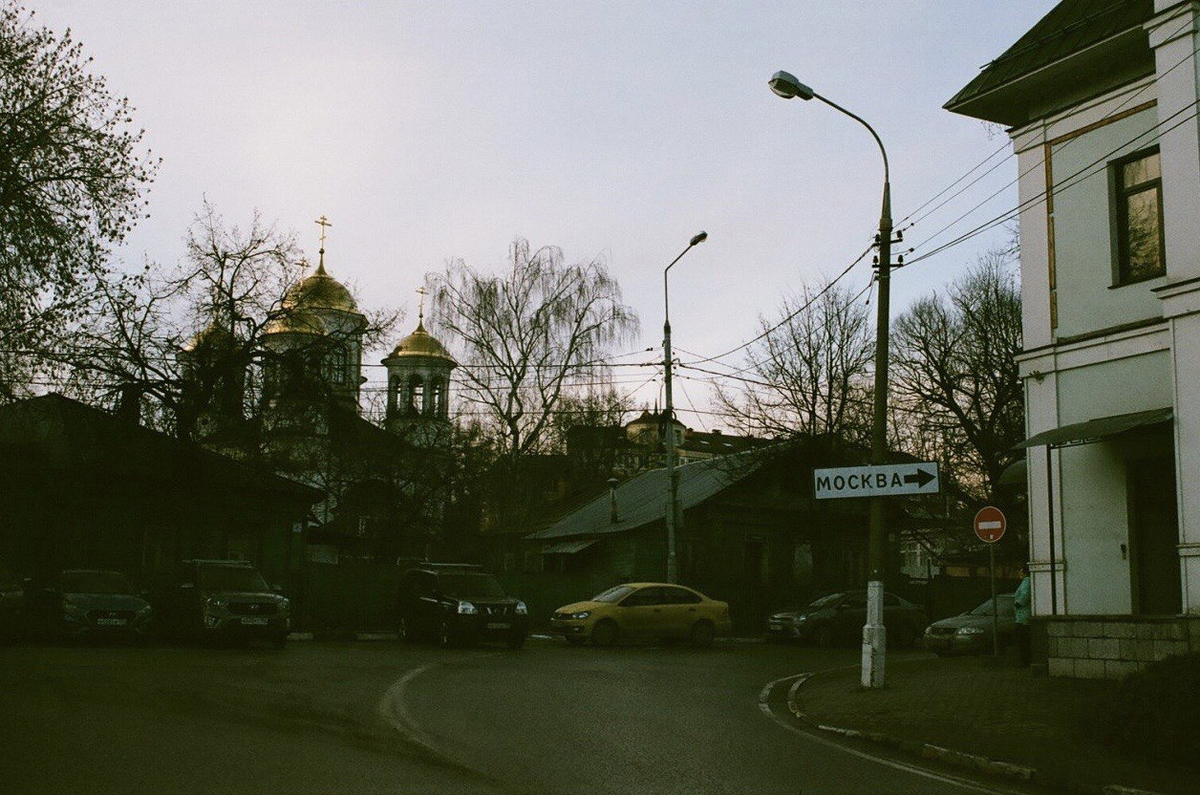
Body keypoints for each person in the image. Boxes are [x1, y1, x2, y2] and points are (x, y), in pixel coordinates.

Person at [1013, 563, 1032, 666]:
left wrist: (1018, 604)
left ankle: (1025, 661)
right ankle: (1025, 660)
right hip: (1022, 615)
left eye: (1021, 571)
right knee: (1023, 640)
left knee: (1022, 640)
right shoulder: (1026, 581)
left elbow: (1025, 594)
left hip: (1023, 615)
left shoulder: (1027, 581)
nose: (1020, 573)